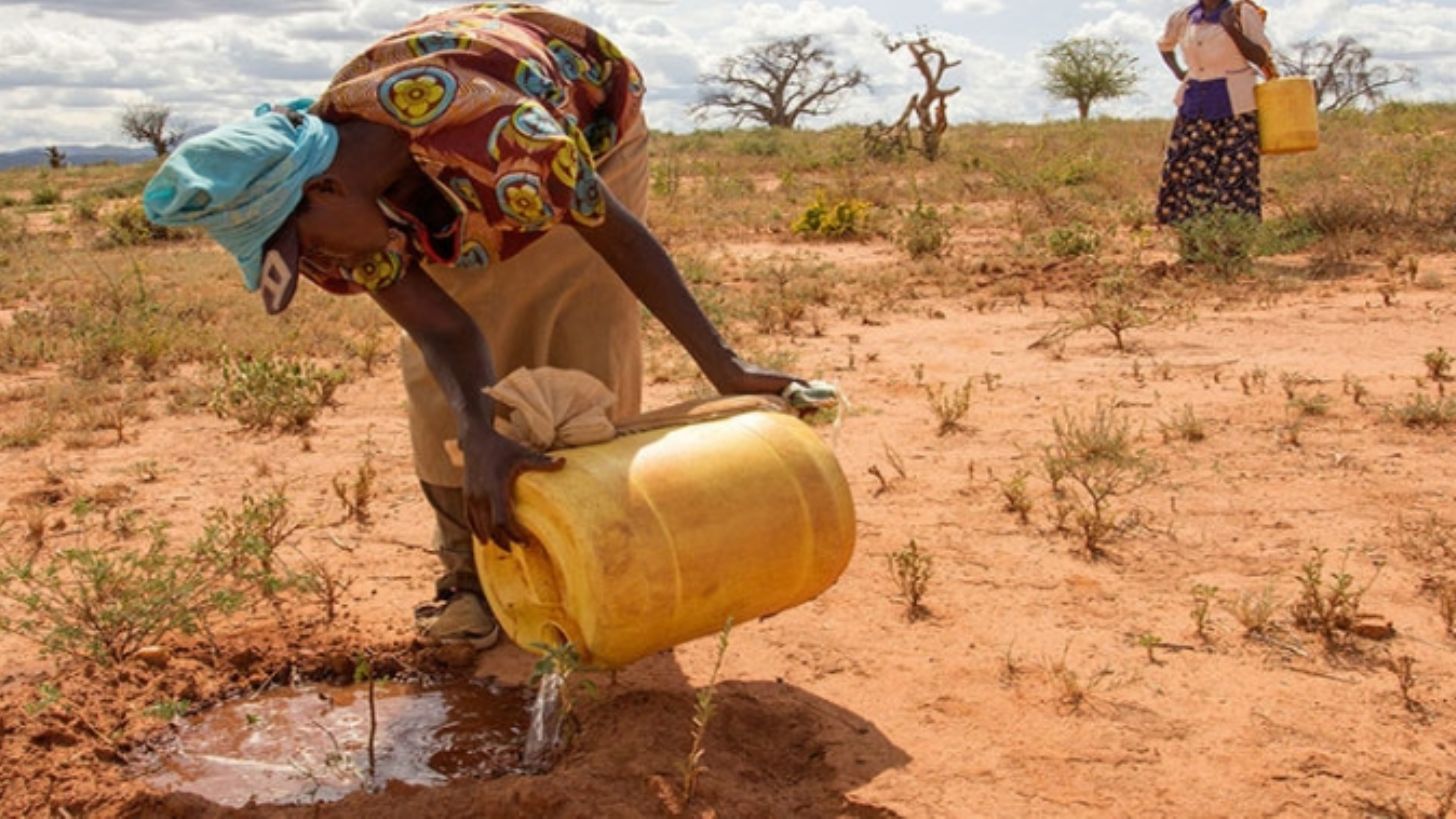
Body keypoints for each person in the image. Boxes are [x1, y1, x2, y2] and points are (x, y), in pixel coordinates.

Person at [143, 4, 801, 649]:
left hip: (583, 136)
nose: (320, 266)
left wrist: (725, 367)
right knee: (445, 395)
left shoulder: (505, 135)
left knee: (578, 333)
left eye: (306, 247)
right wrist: (478, 430)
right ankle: (471, 578)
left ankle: (600, 560)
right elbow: (443, 332)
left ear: (326, 192)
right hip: (443, 179)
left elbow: (623, 243)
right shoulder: (342, 196)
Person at [1155, 0, 1274, 225]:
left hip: (1236, 106)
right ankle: (1192, 231)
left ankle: (1233, 233)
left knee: (1233, 171)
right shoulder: (1184, 17)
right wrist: (1179, 72)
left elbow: (1261, 57)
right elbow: (1164, 44)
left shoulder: (1242, 13)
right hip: (1195, 102)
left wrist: (1231, 28)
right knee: (1191, 168)